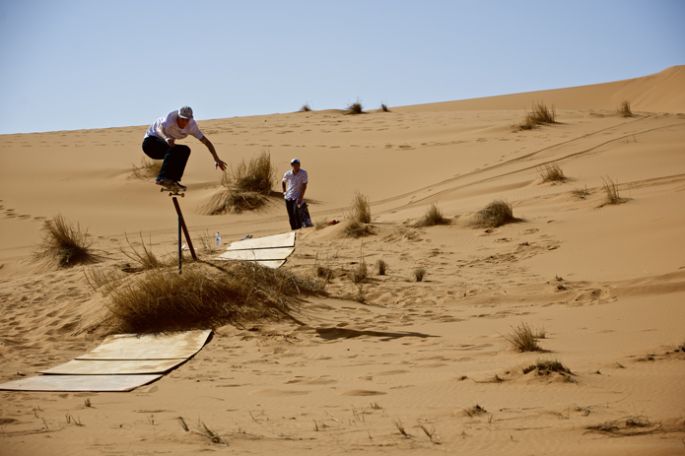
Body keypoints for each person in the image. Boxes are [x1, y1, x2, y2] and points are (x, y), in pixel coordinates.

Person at [142, 106, 227, 190]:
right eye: (182, 119)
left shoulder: (192, 126)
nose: (184, 122)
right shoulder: (170, 119)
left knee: (184, 150)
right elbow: (159, 129)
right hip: (150, 143)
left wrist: (216, 159)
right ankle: (162, 178)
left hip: (163, 150)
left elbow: (206, 142)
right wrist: (166, 138)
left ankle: (173, 181)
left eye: (187, 120)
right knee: (174, 150)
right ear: (178, 116)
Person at [282, 158, 309, 230]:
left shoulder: (303, 173)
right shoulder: (288, 173)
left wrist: (301, 197)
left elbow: (304, 185)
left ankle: (299, 230)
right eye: (294, 165)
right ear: (292, 165)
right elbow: (283, 182)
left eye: (297, 164)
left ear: (299, 165)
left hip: (297, 197)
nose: (296, 166)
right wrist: (284, 192)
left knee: (296, 214)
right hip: (288, 197)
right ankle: (293, 230)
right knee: (291, 216)